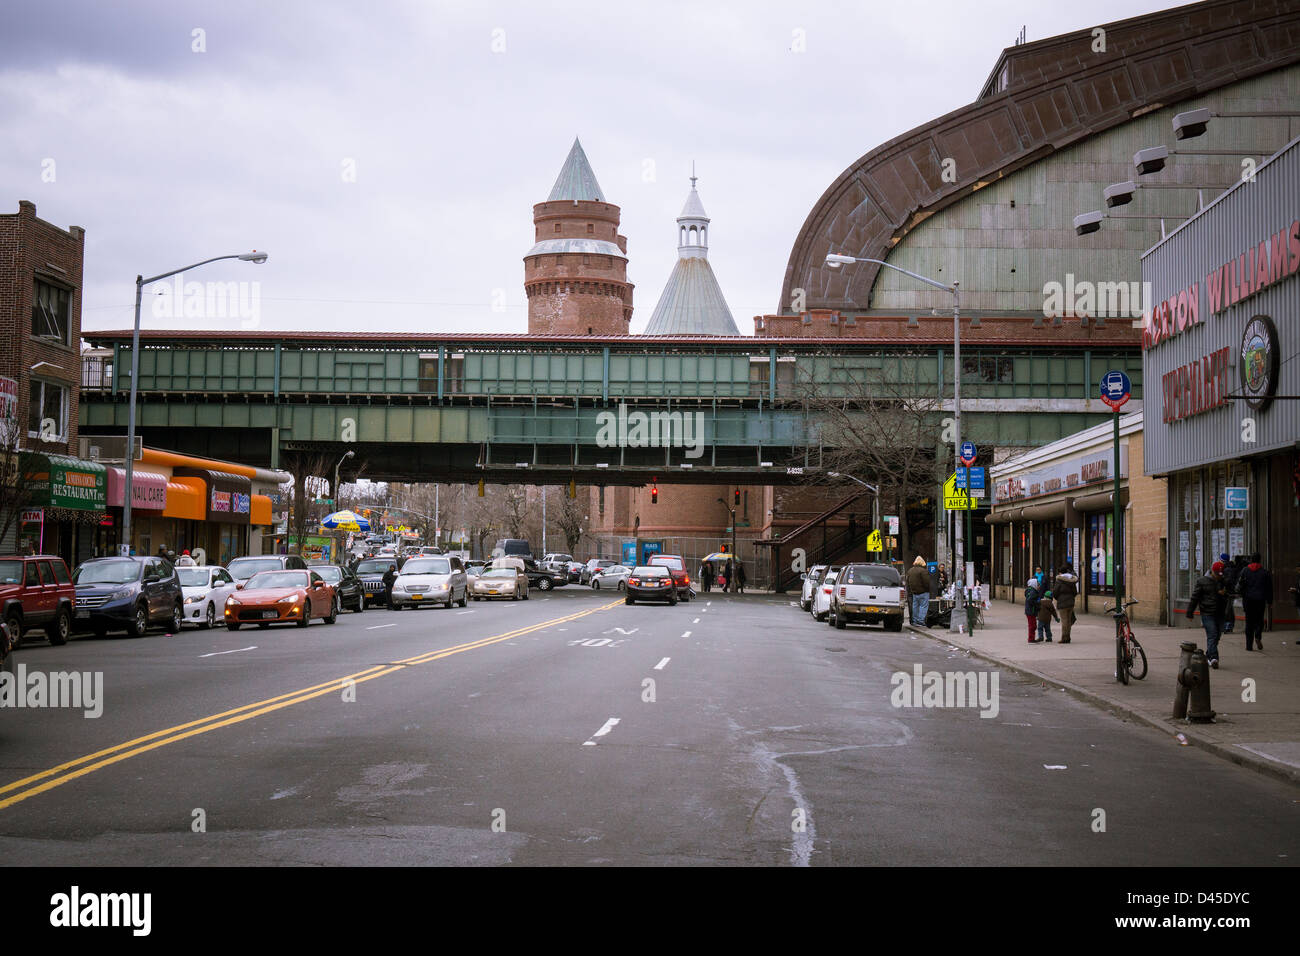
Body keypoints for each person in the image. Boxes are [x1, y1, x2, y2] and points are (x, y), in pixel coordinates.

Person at [1187, 561, 1227, 668]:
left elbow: (1229, 594)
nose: (1219, 576)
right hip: (1207, 613)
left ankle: (1209, 654)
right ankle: (1213, 658)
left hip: (1219, 613)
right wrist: (1190, 612)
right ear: (1213, 571)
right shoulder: (1202, 581)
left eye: (1221, 574)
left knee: (1217, 635)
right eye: (1218, 574)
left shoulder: (1222, 581)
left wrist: (1224, 594)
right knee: (1212, 634)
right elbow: (1195, 597)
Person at [1237, 553, 1273, 652]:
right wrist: (1270, 601)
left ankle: (1249, 645)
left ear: (1251, 560)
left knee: (1249, 622)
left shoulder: (1245, 570)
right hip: (1260, 600)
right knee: (1259, 620)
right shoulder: (1265, 572)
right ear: (1260, 560)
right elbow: (1269, 588)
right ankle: (1258, 636)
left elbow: (1240, 584)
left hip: (1248, 600)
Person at [1054, 564, 1079, 644]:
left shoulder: (1059, 581)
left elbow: (1055, 592)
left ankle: (1064, 638)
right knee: (1068, 620)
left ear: (1060, 572)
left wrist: (1058, 598)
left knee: (1064, 621)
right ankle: (1068, 637)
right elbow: (1075, 592)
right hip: (1071, 602)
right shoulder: (1072, 580)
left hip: (1062, 603)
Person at [905, 557, 931, 627]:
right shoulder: (923, 571)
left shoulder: (910, 570)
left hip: (914, 592)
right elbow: (927, 582)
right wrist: (928, 589)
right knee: (923, 606)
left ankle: (915, 620)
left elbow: (907, 581)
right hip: (924, 592)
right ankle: (920, 621)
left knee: (915, 607)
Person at [1220, 553, 1240, 632]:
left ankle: (1228, 625)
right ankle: (1229, 625)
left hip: (1228, 592)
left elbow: (1228, 581)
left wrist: (1222, 581)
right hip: (1232, 592)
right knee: (1229, 609)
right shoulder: (1233, 568)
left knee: (1227, 610)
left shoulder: (1226, 569)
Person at [1024, 576, 1042, 643]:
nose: (1039, 586)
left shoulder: (1030, 590)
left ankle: (1031, 638)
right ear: (1034, 584)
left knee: (1032, 625)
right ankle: (1031, 639)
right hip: (1031, 610)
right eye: (1038, 584)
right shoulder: (1033, 591)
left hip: (1030, 610)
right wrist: (1037, 604)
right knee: (1032, 625)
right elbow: (1030, 600)